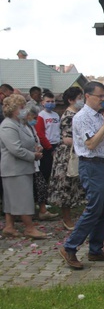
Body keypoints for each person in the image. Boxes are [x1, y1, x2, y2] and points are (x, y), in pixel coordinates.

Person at [59, 81, 104, 270]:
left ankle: (95, 249)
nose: (103, 100)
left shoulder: (99, 116)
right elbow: (91, 144)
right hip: (91, 165)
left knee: (103, 210)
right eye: (100, 96)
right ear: (88, 96)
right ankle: (69, 247)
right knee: (93, 208)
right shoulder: (81, 117)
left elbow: (102, 137)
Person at [0, 94, 46, 239]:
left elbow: (29, 141)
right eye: (21, 107)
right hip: (14, 169)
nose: (24, 110)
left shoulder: (20, 124)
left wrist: (36, 148)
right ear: (13, 109)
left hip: (21, 168)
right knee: (23, 198)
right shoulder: (8, 125)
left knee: (12, 199)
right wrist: (33, 156)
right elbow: (15, 149)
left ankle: (9, 226)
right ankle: (29, 228)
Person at [47, 87, 86, 231]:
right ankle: (66, 218)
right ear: (70, 100)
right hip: (68, 155)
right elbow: (67, 138)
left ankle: (77, 216)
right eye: (79, 97)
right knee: (66, 186)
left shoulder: (78, 114)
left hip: (77, 152)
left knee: (76, 185)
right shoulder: (69, 116)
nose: (82, 100)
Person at [25, 105, 59, 221]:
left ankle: (42, 210)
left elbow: (36, 139)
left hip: (35, 160)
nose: (35, 120)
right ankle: (33, 212)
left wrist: (38, 147)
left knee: (41, 185)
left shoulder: (31, 127)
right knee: (36, 186)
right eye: (33, 117)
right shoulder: (22, 127)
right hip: (27, 161)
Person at [35, 91, 60, 182]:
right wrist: (49, 148)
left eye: (52, 101)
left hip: (56, 144)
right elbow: (40, 134)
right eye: (48, 101)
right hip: (47, 147)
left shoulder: (56, 115)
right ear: (43, 103)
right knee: (46, 170)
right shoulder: (41, 116)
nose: (50, 103)